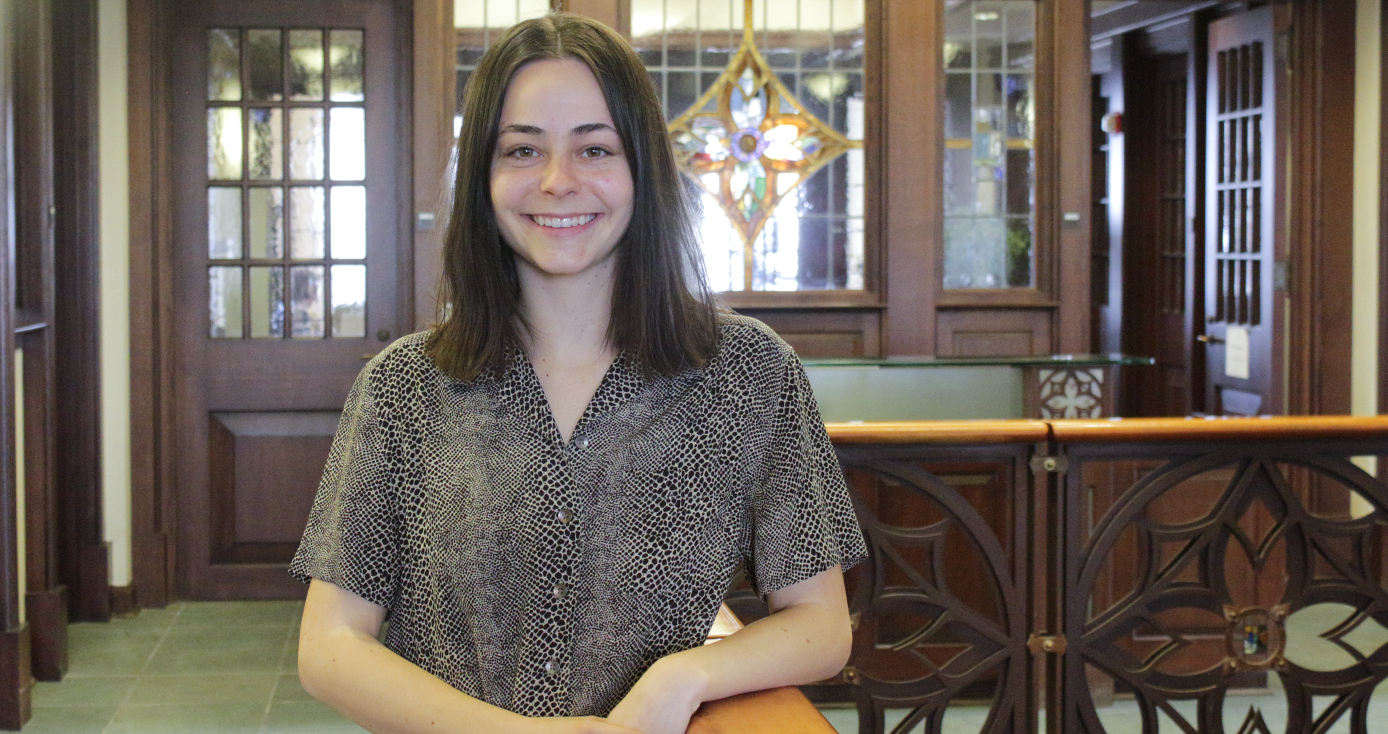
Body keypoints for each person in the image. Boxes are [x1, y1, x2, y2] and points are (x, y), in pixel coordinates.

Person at [290, 12, 866, 734]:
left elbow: (820, 624)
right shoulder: (404, 387)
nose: (558, 182)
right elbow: (330, 645)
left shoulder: (746, 373)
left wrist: (684, 676)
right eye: (523, 150)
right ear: (482, 178)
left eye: (595, 149)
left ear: (642, 168)